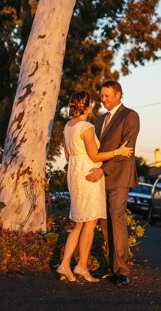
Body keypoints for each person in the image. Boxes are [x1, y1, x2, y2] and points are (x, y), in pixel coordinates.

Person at [55, 91, 133, 283]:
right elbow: (95, 156)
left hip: (74, 173)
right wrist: (118, 151)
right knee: (89, 223)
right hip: (88, 175)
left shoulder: (68, 126)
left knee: (79, 223)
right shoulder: (86, 127)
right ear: (87, 106)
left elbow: (67, 155)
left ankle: (65, 264)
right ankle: (80, 266)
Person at [86, 80, 140, 287]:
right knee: (105, 221)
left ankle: (122, 270)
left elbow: (127, 150)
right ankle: (110, 266)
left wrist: (103, 170)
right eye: (101, 96)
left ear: (118, 95)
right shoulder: (99, 120)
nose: (103, 99)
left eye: (107, 96)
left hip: (119, 176)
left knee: (116, 219)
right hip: (101, 177)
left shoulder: (130, 116)